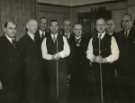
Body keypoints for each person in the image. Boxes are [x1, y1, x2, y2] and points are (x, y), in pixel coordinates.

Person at [86, 17, 119, 103]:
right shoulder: (92, 39)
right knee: (96, 94)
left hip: (108, 72)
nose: (100, 26)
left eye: (102, 24)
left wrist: (104, 60)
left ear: (105, 26)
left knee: (108, 94)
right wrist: (94, 58)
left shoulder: (111, 38)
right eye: (98, 25)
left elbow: (116, 54)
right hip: (95, 71)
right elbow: (89, 53)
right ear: (96, 27)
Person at [41, 19, 70, 103]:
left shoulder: (63, 38)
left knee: (62, 90)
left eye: (56, 25)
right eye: (52, 26)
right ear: (49, 27)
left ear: (58, 27)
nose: (54, 27)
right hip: (51, 68)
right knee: (52, 90)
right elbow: (44, 54)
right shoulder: (45, 39)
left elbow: (67, 51)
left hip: (62, 69)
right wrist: (52, 57)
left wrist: (59, 55)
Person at [18, 19, 44, 103]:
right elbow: (20, 62)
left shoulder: (39, 40)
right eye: (32, 25)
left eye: (36, 25)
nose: (35, 27)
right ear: (27, 26)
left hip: (39, 76)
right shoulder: (22, 41)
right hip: (28, 78)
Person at [0, 21, 24, 103]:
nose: (13, 30)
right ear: (4, 29)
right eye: (10, 28)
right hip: (6, 83)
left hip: (18, 83)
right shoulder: (1, 42)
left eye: (14, 28)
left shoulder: (16, 43)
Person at [116, 13, 135, 103]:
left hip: (133, 73)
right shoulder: (118, 35)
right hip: (121, 73)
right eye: (123, 21)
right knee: (122, 98)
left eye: (127, 21)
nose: (124, 23)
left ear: (132, 22)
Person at [69, 23, 89, 102]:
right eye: (76, 29)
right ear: (73, 30)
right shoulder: (68, 41)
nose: (78, 31)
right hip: (73, 71)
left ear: (82, 31)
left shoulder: (87, 40)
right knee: (74, 93)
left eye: (80, 29)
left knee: (84, 92)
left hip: (84, 71)